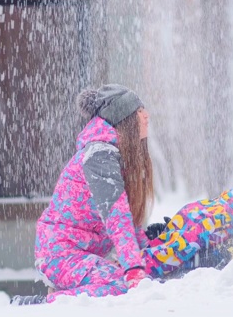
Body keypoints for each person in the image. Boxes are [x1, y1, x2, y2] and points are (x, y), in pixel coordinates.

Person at [11, 84, 153, 305]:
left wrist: (147, 247)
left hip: (82, 254)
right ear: (124, 119)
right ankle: (42, 304)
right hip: (60, 255)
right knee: (122, 285)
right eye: (138, 111)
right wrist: (133, 268)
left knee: (140, 277)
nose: (146, 115)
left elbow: (127, 219)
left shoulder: (114, 153)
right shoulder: (98, 155)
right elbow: (116, 214)